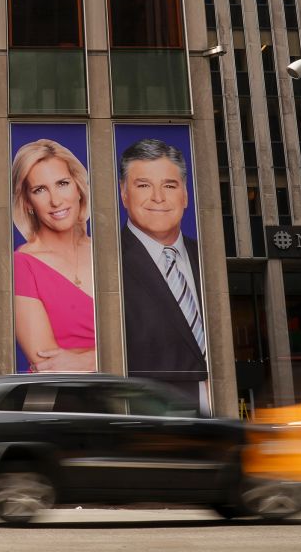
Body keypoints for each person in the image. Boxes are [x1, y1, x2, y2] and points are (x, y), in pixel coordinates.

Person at [118, 139, 207, 404]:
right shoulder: (105, 260)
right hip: (155, 413)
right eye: (143, 185)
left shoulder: (204, 256)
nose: (158, 197)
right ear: (124, 194)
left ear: (185, 195)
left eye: (169, 185)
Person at [11, 139, 97, 373]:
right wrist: (117, 357)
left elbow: (154, 343)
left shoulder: (111, 254)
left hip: (126, 400)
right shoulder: (22, 265)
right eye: (40, 190)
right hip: (63, 402)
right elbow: (47, 365)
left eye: (62, 183)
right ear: (28, 202)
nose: (56, 200)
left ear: (78, 187)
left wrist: (87, 361)